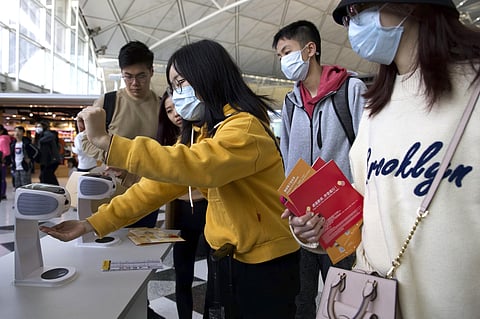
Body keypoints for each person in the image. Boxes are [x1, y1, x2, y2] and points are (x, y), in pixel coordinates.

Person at [40, 39, 300, 319]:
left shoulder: (244, 128)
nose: (177, 95)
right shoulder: (204, 132)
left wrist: (108, 141)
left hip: (265, 264)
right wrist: (92, 223)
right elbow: (154, 187)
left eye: (182, 83)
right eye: (174, 86)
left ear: (207, 75)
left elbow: (196, 166)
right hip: (228, 259)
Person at [286, 1, 480, 318]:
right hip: (372, 302)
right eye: (348, 17)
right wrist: (314, 227)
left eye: (361, 7)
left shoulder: (472, 89)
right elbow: (363, 206)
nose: (354, 23)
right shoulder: (377, 107)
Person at [272, 20, 366, 318]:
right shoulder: (290, 102)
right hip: (304, 222)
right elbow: (288, 158)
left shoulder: (351, 90)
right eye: (279, 56)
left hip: (344, 221)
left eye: (286, 51)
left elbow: (368, 151)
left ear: (310, 49)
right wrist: (289, 205)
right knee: (302, 299)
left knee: (346, 300)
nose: (282, 61)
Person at [82, 40, 161, 228]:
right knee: (108, 248)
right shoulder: (108, 101)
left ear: (151, 72)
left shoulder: (163, 107)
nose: (134, 83)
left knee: (141, 248)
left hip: (148, 193)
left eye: (141, 76)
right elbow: (87, 140)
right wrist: (113, 157)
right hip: (112, 192)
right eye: (128, 76)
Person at [158, 90, 210, 319]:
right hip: (180, 210)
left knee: (215, 272)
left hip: (207, 207)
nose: (175, 114)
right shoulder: (168, 141)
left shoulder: (206, 134)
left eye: (177, 107)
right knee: (182, 271)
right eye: (169, 110)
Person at [34, 121, 61, 185]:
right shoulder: (43, 136)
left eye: (39, 126)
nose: (37, 128)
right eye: (37, 127)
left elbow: (46, 151)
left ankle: (55, 189)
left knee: (46, 176)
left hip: (50, 160)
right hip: (47, 160)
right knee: (46, 176)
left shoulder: (47, 136)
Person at [0, 126, 12, 199]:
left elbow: (6, 152)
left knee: (2, 178)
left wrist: (2, 159)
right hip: (2, 161)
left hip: (1, 162)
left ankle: (2, 193)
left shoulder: (3, 139)